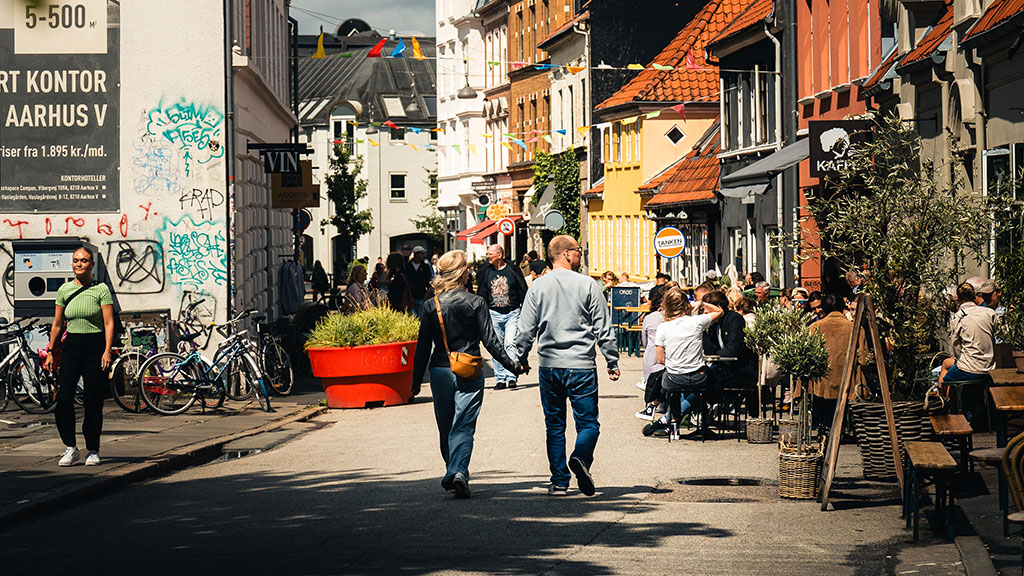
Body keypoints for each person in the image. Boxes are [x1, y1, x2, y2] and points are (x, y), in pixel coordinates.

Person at [513, 235, 620, 496]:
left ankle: (560, 481)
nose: (581, 254)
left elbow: (526, 328)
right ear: (566, 254)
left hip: (549, 366)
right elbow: (603, 327)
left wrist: (521, 357)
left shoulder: (538, 287)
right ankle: (581, 457)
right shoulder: (588, 284)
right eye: (578, 250)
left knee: (554, 425)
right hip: (581, 365)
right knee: (588, 424)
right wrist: (611, 359)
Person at [412, 250, 523, 499]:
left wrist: (415, 382)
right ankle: (458, 471)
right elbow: (491, 342)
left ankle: (453, 471)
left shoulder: (431, 305)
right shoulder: (476, 302)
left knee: (445, 426)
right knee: (464, 425)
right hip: (470, 368)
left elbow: (422, 347)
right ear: (463, 273)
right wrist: (513, 366)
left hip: (440, 370)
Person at [44, 246, 115, 467]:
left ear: (92, 264)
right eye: (76, 260)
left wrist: (107, 350)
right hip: (72, 348)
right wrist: (50, 351)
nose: (79, 264)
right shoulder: (64, 290)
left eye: (84, 260)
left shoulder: (101, 289)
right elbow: (57, 324)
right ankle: (71, 448)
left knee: (92, 401)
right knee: (64, 398)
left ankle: (93, 449)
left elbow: (109, 323)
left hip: (95, 347)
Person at [645, 288, 723, 438]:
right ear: (687, 304)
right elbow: (719, 311)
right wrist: (701, 303)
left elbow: (660, 360)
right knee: (707, 384)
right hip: (699, 376)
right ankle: (703, 422)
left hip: (674, 377)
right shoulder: (696, 321)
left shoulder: (663, 327)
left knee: (673, 389)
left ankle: (673, 425)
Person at [804, 293, 865, 432]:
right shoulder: (856, 329)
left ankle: (824, 431)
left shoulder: (813, 328)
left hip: (821, 385)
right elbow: (863, 359)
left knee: (824, 418)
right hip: (848, 384)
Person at [477, 244, 528, 390]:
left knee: (510, 343)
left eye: (490, 254)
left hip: (512, 313)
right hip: (494, 314)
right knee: (496, 346)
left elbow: (522, 289)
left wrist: (524, 308)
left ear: (499, 255)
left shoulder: (512, 269)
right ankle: (500, 378)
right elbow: (482, 292)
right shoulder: (486, 271)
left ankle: (511, 375)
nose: (488, 257)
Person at [939, 282, 999, 391]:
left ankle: (945, 399)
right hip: (989, 367)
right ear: (974, 296)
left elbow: (955, 348)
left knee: (946, 381)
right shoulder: (989, 313)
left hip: (969, 368)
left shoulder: (957, 317)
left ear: (957, 298)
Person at [635, 285, 667, 421]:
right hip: (667, 357)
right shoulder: (675, 319)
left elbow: (644, 341)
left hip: (651, 356)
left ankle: (652, 404)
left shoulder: (649, 318)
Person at [407, 246, 434, 316]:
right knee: (411, 315)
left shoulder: (425, 266)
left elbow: (428, 279)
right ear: (416, 254)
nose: (423, 255)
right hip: (410, 296)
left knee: (420, 315)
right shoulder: (407, 266)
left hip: (421, 294)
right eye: (421, 253)